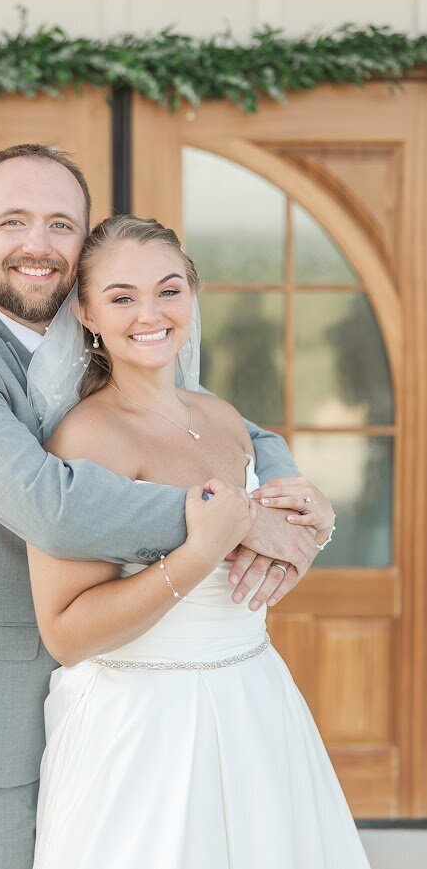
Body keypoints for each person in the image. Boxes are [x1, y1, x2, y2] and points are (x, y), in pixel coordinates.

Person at [0, 144, 321, 869]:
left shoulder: (112, 324)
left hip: (121, 696)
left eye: (60, 224)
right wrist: (235, 520)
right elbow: (52, 506)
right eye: (12, 222)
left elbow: (228, 429)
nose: (37, 245)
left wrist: (299, 507)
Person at [26, 215, 367, 868]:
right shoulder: (87, 439)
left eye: (169, 289)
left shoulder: (221, 418)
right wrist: (198, 551)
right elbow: (66, 633)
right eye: (122, 296)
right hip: (144, 727)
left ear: (192, 293)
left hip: (257, 702)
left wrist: (314, 522)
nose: (150, 313)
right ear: (88, 313)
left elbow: (260, 563)